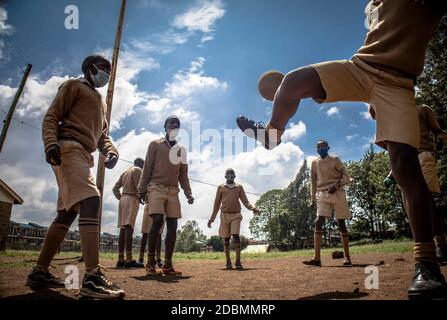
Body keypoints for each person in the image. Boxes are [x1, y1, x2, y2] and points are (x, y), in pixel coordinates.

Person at [236, 0, 447, 299]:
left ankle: (427, 264)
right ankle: (272, 134)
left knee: (404, 166)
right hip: (361, 68)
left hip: (398, 84)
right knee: (292, 82)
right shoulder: (372, 6)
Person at [27, 55, 124, 299]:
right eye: (104, 69)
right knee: (91, 200)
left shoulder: (100, 101)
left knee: (67, 213)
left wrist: (111, 151)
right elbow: (52, 116)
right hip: (68, 148)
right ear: (90, 68)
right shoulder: (73, 86)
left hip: (83, 155)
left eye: (110, 71)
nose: (107, 74)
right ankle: (92, 277)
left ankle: (39, 272)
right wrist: (51, 143)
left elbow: (103, 136)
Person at [380, 104, 447, 263]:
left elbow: (439, 132)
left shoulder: (423, 109)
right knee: (413, 203)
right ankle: (428, 247)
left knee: (428, 200)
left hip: (424, 155)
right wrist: (392, 173)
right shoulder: (395, 115)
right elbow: (395, 149)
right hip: (406, 162)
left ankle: (441, 244)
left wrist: (440, 140)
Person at [137, 115, 194, 276]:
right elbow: (147, 167)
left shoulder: (181, 150)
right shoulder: (155, 145)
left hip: (173, 190)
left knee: (173, 225)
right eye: (171, 122)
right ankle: (150, 262)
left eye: (177, 123)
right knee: (156, 220)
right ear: (165, 126)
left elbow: (183, 175)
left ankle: (168, 264)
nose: (174, 125)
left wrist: (188, 193)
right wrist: (142, 189)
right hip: (155, 187)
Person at [304, 140, 352, 267]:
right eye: (318, 147)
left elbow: (346, 177)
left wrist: (336, 185)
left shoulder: (335, 159)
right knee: (318, 221)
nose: (321, 148)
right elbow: (313, 181)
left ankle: (347, 258)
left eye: (323, 146)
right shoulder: (314, 163)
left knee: (341, 223)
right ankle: (316, 258)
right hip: (321, 194)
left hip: (337, 193)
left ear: (328, 147)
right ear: (316, 149)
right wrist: (312, 198)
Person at [208, 168, 260, 269]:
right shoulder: (221, 187)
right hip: (224, 215)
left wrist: (253, 208)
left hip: (236, 215)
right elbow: (216, 204)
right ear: (225, 176)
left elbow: (245, 201)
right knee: (226, 238)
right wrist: (212, 219)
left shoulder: (239, 187)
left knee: (236, 235)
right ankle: (228, 261)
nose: (230, 175)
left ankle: (238, 261)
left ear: (235, 176)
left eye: (232, 174)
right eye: (228, 173)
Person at [113, 158, 145, 268]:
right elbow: (140, 187)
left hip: (123, 200)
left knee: (123, 228)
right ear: (141, 164)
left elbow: (115, 189)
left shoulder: (125, 172)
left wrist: (121, 198)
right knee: (128, 228)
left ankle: (121, 259)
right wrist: (143, 198)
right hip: (131, 199)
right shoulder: (137, 170)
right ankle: (129, 259)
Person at [138, 194, 165, 268]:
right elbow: (142, 186)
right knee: (145, 232)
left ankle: (158, 258)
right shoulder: (146, 182)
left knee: (159, 233)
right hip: (150, 204)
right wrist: (141, 195)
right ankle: (141, 258)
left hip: (161, 205)